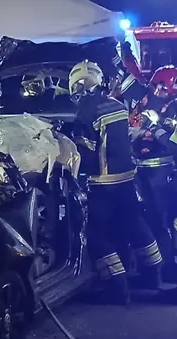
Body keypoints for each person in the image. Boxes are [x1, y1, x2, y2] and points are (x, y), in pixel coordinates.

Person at [69, 60, 164, 304]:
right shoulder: (117, 106)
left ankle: (116, 287)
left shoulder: (86, 110)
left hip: (103, 183)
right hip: (126, 181)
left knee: (97, 235)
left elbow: (86, 153)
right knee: (135, 225)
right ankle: (153, 276)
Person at [130, 65, 177, 281]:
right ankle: (151, 269)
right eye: (156, 86)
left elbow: (172, 145)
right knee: (146, 219)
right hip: (140, 169)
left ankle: (167, 268)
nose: (157, 91)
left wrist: (154, 127)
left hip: (162, 172)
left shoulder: (174, 108)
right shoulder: (145, 101)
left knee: (163, 220)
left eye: (162, 87)